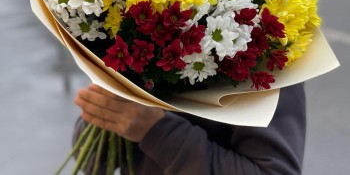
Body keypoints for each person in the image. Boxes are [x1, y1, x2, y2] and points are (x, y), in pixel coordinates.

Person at [73, 82, 306, 174]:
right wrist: (104, 110)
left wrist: (158, 132)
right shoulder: (134, 18)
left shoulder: (266, 44)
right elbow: (92, 162)